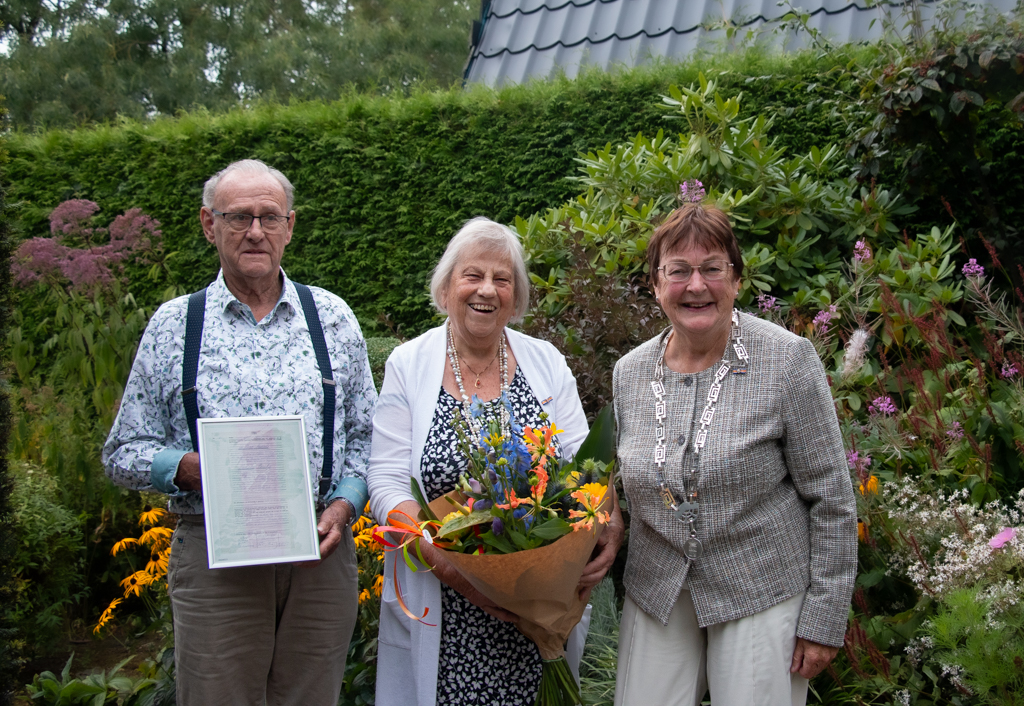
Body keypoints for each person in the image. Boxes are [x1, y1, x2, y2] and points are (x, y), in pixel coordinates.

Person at [102, 159, 377, 706]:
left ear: (290, 226)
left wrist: (344, 508)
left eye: (269, 217)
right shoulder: (175, 324)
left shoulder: (333, 317)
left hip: (319, 557)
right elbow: (122, 449)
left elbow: (368, 438)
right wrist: (191, 468)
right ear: (210, 225)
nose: (256, 231)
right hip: (214, 558)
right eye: (239, 217)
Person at [367, 217, 625, 706]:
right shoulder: (409, 363)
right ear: (446, 288)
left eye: (502, 279)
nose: (487, 289)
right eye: (473, 275)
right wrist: (446, 564)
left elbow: (585, 468)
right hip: (445, 605)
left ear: (516, 295)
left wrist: (608, 523)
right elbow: (384, 482)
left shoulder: (545, 360)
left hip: (539, 610)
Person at [612, 203, 857, 706]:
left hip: (760, 585)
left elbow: (832, 498)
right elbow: (630, 479)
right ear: (656, 285)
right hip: (657, 589)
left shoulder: (787, 359)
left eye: (712, 269)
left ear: (737, 280)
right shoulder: (629, 373)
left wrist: (825, 617)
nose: (695, 285)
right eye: (678, 271)